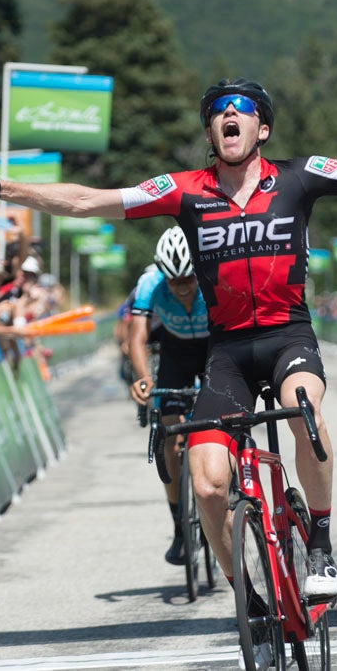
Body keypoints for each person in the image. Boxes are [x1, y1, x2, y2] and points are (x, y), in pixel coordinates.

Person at [0, 77, 337, 610]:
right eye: (218, 110)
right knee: (206, 486)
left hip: (287, 335)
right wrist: (1, 189)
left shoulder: (301, 176)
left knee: (303, 409)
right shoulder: (183, 190)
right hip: (226, 354)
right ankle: (246, 599)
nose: (228, 115)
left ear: (262, 127)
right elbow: (85, 200)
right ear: (210, 132)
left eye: (241, 108)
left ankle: (319, 545)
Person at [127, 227, 210, 566]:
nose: (182, 287)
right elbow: (137, 339)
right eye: (174, 281)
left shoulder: (213, 280)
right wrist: (144, 377)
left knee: (220, 424)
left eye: (188, 278)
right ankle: (179, 526)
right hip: (175, 351)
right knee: (169, 436)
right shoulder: (150, 285)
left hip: (211, 349)